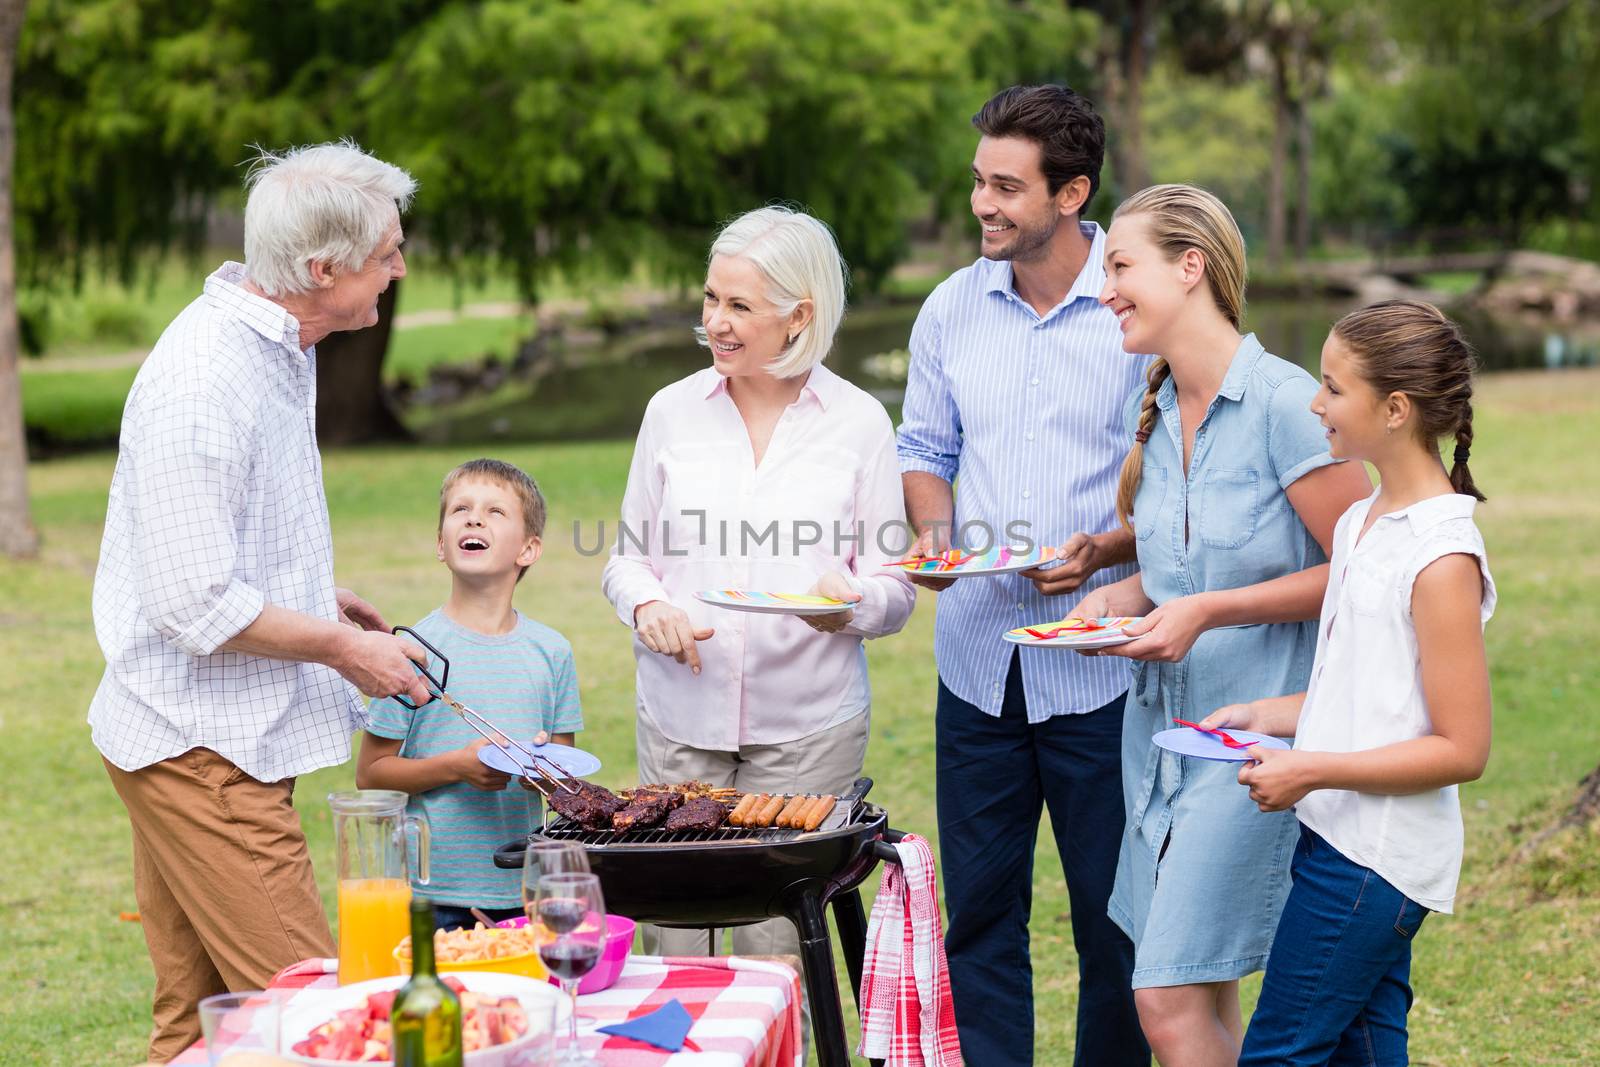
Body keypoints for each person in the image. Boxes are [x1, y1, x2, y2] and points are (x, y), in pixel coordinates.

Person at [87, 140, 433, 1062]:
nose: (400, 268)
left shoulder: (279, 343)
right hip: (203, 747)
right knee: (324, 1023)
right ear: (323, 270)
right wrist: (339, 646)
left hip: (194, 733)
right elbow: (192, 602)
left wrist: (318, 598)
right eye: (388, 253)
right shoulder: (207, 377)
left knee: (202, 1025)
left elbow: (218, 543)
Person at [1069, 183, 1374, 1067]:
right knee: (1201, 988)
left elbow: (1361, 573)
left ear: (1190, 266)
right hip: (1161, 744)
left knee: (1163, 997)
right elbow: (1186, 567)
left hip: (1257, 746)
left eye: (1120, 266)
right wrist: (1126, 599)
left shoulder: (1285, 404)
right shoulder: (1159, 413)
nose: (1104, 289)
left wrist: (1206, 611)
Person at [896, 84, 1153, 1065]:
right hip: (976, 669)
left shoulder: (1132, 311)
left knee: (1113, 924)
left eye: (1007, 186)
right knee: (980, 918)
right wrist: (932, 534)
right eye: (978, 182)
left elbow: (1177, 480)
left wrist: (1106, 550)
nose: (983, 205)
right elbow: (925, 442)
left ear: (1072, 191)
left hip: (1102, 667)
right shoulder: (951, 308)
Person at [600, 205, 915, 966]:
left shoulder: (860, 422)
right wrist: (648, 605)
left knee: (775, 951)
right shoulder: (670, 412)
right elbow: (626, 560)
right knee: (676, 945)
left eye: (739, 305)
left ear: (799, 315)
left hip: (807, 727)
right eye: (712, 298)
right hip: (680, 717)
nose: (716, 321)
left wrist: (849, 608)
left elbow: (895, 587)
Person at [1201, 301, 1494, 1066]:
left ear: (1395, 410)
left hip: (1376, 858)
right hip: (1334, 832)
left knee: (1278, 1051)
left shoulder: (1440, 554)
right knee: (1361, 1050)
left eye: (1333, 388)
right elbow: (1367, 695)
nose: (1315, 402)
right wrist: (1266, 713)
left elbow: (1463, 747)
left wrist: (1312, 768)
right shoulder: (1365, 519)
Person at [357, 458, 583, 932]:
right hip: (432, 892)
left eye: (495, 512)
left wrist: (538, 769)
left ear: (529, 548)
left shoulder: (552, 651)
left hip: (526, 889)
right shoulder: (409, 651)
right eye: (460, 509)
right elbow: (372, 774)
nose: (474, 518)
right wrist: (457, 767)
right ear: (441, 544)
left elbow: (566, 777)